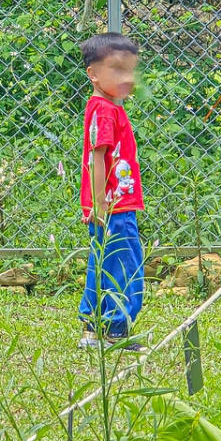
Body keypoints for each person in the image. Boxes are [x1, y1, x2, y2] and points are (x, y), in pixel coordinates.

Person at [77, 32, 147, 353]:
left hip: (109, 207)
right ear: (93, 74)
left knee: (101, 262)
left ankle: (93, 329)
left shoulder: (107, 108)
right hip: (114, 208)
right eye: (117, 70)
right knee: (123, 264)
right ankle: (115, 331)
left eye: (131, 70)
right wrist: (101, 203)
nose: (128, 78)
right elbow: (97, 157)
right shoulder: (104, 110)